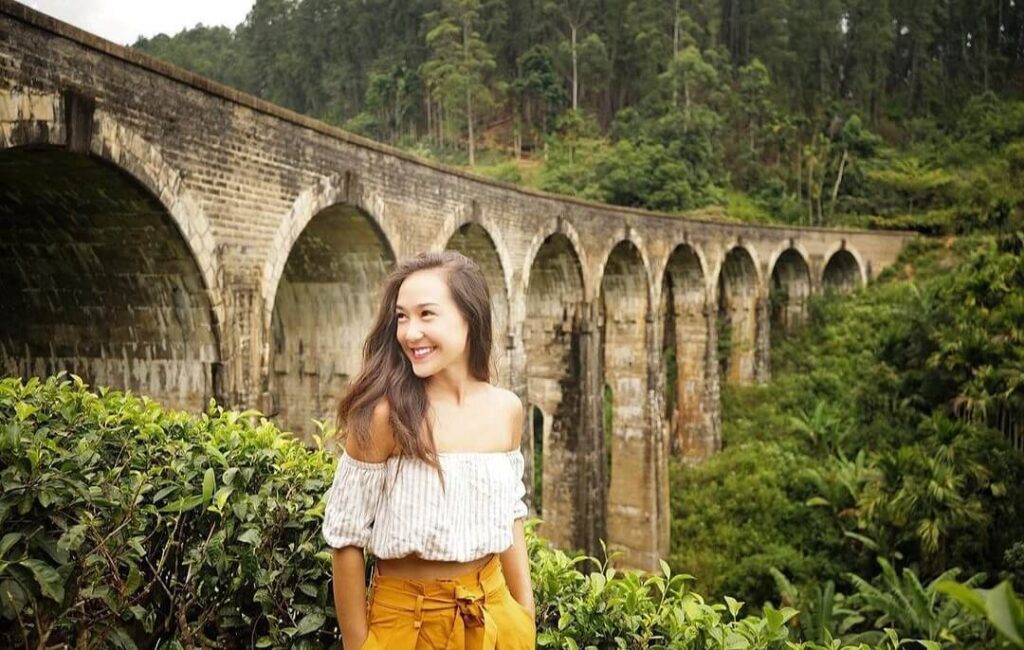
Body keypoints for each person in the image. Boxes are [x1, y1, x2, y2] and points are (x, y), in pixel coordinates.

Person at [321, 250, 537, 649]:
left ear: (468, 317)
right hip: (406, 625)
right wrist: (358, 645)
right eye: (402, 316)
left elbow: (511, 517)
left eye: (426, 314)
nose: (409, 332)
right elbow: (345, 539)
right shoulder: (383, 416)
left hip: (494, 618)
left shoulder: (506, 409)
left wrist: (525, 617)